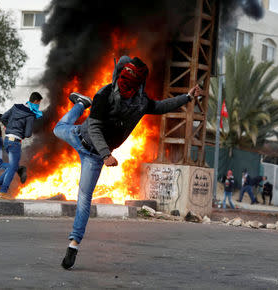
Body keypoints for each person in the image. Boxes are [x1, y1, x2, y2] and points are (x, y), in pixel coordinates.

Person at [54, 56, 202, 270]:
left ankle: (73, 246)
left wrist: (187, 97)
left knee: (84, 200)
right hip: (80, 136)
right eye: (124, 77)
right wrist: (107, 154)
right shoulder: (104, 94)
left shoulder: (141, 103)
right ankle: (80, 104)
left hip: (94, 157)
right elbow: (94, 128)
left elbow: (160, 106)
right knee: (58, 128)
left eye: (130, 81)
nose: (125, 85)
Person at [0, 92, 43, 199]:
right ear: (36, 101)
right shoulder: (30, 115)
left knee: (12, 167)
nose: (39, 105)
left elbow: (3, 118)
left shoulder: (15, 107)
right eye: (39, 103)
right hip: (15, 142)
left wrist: (10, 128)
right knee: (13, 167)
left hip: (7, 139)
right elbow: (28, 134)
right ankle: (2, 192)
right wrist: (20, 133)